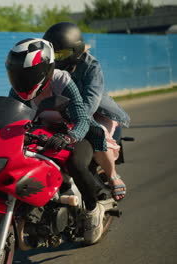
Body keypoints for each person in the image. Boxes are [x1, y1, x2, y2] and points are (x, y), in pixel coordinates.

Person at [6, 38, 105, 244]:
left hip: (76, 132)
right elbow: (10, 117)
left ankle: (93, 210)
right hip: (41, 134)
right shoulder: (18, 90)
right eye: (17, 75)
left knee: (76, 163)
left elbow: (81, 118)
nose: (21, 80)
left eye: (27, 74)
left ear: (45, 70)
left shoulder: (62, 81)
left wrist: (69, 137)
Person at [43, 22, 131, 201]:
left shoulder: (91, 66)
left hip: (97, 111)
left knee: (99, 134)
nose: (57, 59)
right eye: (54, 54)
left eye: (62, 54)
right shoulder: (51, 66)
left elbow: (91, 100)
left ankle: (113, 176)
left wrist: (78, 119)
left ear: (76, 50)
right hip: (66, 111)